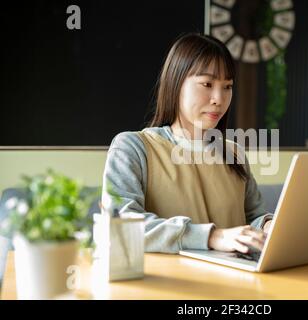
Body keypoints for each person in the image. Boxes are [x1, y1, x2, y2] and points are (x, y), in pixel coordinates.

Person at [101, 33, 273, 255]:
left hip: (240, 280)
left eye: (227, 86)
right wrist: (212, 236)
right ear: (176, 83)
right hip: (173, 285)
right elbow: (120, 224)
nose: (219, 99)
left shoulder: (233, 152)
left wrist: (268, 226)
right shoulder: (133, 147)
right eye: (207, 84)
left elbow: (253, 217)